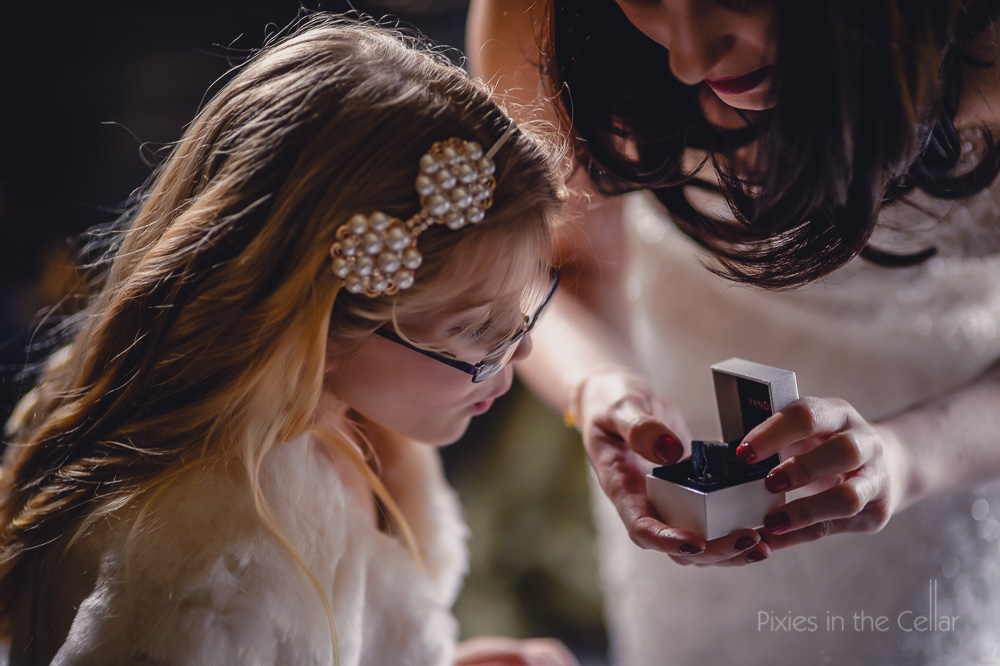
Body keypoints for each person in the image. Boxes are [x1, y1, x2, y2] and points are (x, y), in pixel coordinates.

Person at [0, 15, 581, 666]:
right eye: (477, 331)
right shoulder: (193, 569)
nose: (521, 351)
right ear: (319, 322)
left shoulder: (351, 433)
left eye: (524, 311)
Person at [469, 0, 1000, 663]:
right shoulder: (542, 15)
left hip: (941, 484)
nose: (688, 59)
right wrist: (596, 385)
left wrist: (908, 456)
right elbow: (550, 268)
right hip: (679, 500)